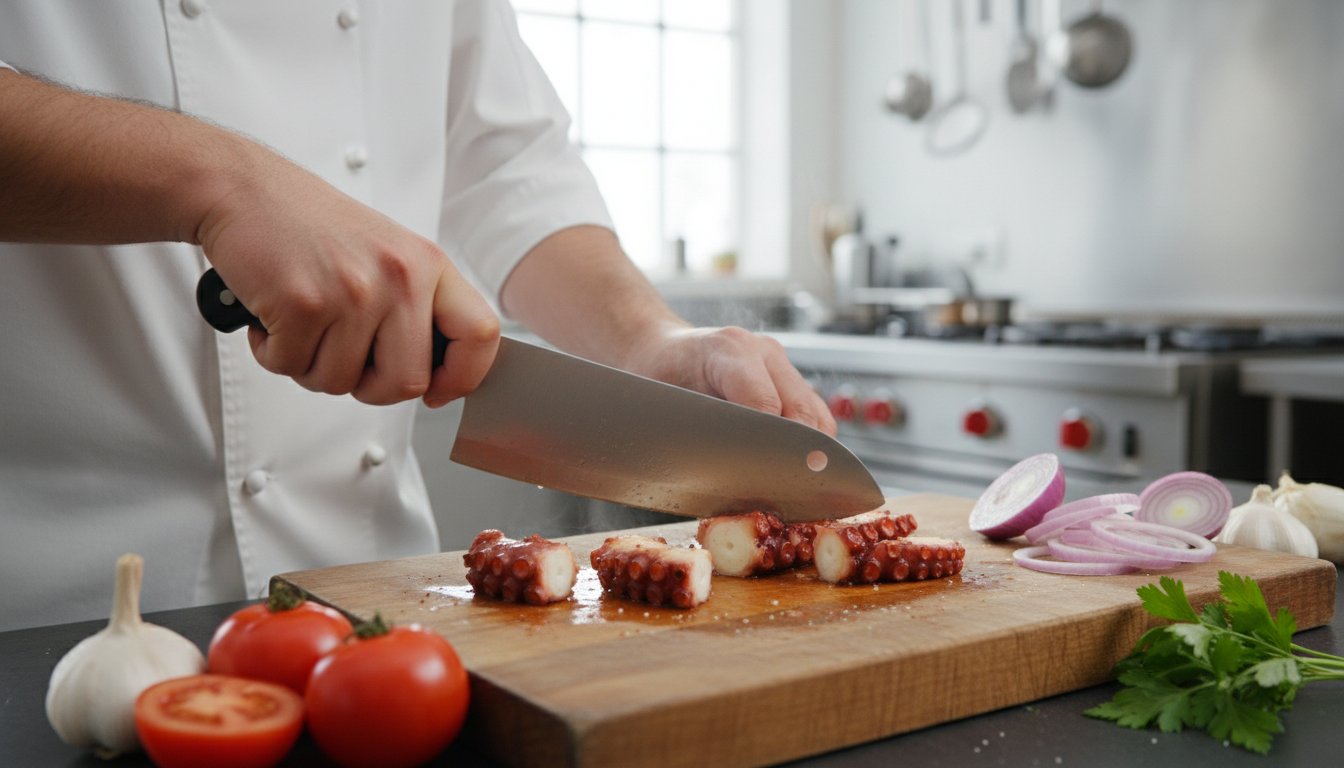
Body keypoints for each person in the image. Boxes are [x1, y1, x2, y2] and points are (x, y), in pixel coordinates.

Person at [0, 1, 834, 632]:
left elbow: (508, 164)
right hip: (57, 605)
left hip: (375, 604)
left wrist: (646, 342)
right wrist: (222, 185)